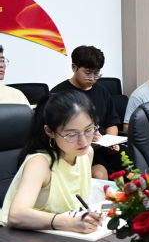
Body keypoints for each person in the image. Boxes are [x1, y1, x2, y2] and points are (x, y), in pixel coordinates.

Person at [0, 90, 104, 233]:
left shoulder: (86, 153)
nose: (83, 141)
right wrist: (71, 222)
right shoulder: (40, 162)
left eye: (89, 130)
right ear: (50, 131)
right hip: (21, 237)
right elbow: (16, 215)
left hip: (62, 235)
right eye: (71, 134)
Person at [50, 45, 121, 179]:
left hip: (100, 149)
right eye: (87, 73)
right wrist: (86, 138)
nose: (92, 78)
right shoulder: (59, 94)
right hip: (70, 151)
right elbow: (54, 133)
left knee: (125, 171)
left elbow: (111, 123)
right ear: (74, 67)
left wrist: (111, 143)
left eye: (96, 73)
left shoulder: (102, 91)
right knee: (95, 175)